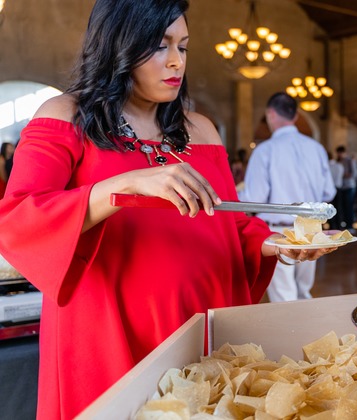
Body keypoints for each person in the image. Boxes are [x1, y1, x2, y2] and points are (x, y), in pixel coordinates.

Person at [0, 1, 332, 418]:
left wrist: (278, 243)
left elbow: (231, 221)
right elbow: (18, 218)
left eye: (184, 47)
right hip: (108, 330)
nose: (176, 62)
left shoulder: (201, 130)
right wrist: (123, 185)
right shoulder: (65, 117)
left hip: (200, 322)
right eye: (160, 46)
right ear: (118, 46)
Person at [240, 92, 337, 302]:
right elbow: (329, 191)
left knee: (284, 296)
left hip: (278, 231)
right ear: (295, 117)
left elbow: (254, 197)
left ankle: (296, 335)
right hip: (310, 228)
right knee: (303, 292)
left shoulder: (265, 150)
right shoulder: (316, 148)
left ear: (270, 114)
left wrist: (232, 195)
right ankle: (308, 334)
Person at [335, 145, 357, 232]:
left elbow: (355, 173)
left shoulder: (349, 161)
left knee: (349, 206)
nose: (339, 154)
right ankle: (344, 224)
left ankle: (350, 225)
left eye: (340, 153)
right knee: (342, 207)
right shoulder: (338, 161)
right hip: (341, 186)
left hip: (349, 186)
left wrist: (344, 175)